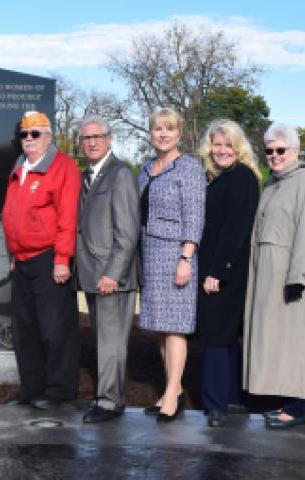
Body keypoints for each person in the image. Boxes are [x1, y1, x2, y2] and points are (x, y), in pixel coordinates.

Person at [1, 111, 81, 409]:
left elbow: (67, 216)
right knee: (26, 328)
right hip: (21, 260)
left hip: (49, 258)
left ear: (48, 136)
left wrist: (62, 259)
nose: (29, 140)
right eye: (24, 135)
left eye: (35, 134)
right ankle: (31, 389)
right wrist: (13, 253)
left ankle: (59, 392)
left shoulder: (63, 167)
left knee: (55, 328)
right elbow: (13, 213)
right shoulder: (20, 166)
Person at [137, 108, 205, 422]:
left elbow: (195, 216)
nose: (163, 134)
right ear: (150, 133)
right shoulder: (145, 167)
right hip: (151, 253)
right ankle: (171, 390)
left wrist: (186, 258)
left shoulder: (188, 168)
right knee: (162, 329)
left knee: (176, 327)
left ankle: (172, 397)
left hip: (176, 253)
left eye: (169, 129)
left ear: (180, 133)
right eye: (157, 129)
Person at [74, 115, 140, 423]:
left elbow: (127, 231)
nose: (91, 142)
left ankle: (110, 403)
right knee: (103, 340)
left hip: (112, 276)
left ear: (109, 139)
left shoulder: (120, 173)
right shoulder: (87, 175)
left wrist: (113, 273)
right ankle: (107, 397)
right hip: (91, 273)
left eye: (97, 136)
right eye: (86, 138)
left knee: (112, 342)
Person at [196, 119, 260, 428]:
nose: (220, 150)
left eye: (227, 145)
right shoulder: (221, 177)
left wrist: (217, 272)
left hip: (224, 272)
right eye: (216, 144)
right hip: (219, 269)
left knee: (216, 337)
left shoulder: (242, 178)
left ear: (238, 147)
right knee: (226, 337)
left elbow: (235, 229)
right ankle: (233, 399)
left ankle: (216, 405)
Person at [243, 123, 305, 429]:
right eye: (269, 150)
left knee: (295, 342)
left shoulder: (303, 181)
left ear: (295, 151)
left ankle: (299, 407)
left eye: (281, 150)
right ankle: (289, 401)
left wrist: (298, 276)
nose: (275, 155)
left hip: (289, 276)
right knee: (280, 342)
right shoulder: (271, 184)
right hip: (266, 273)